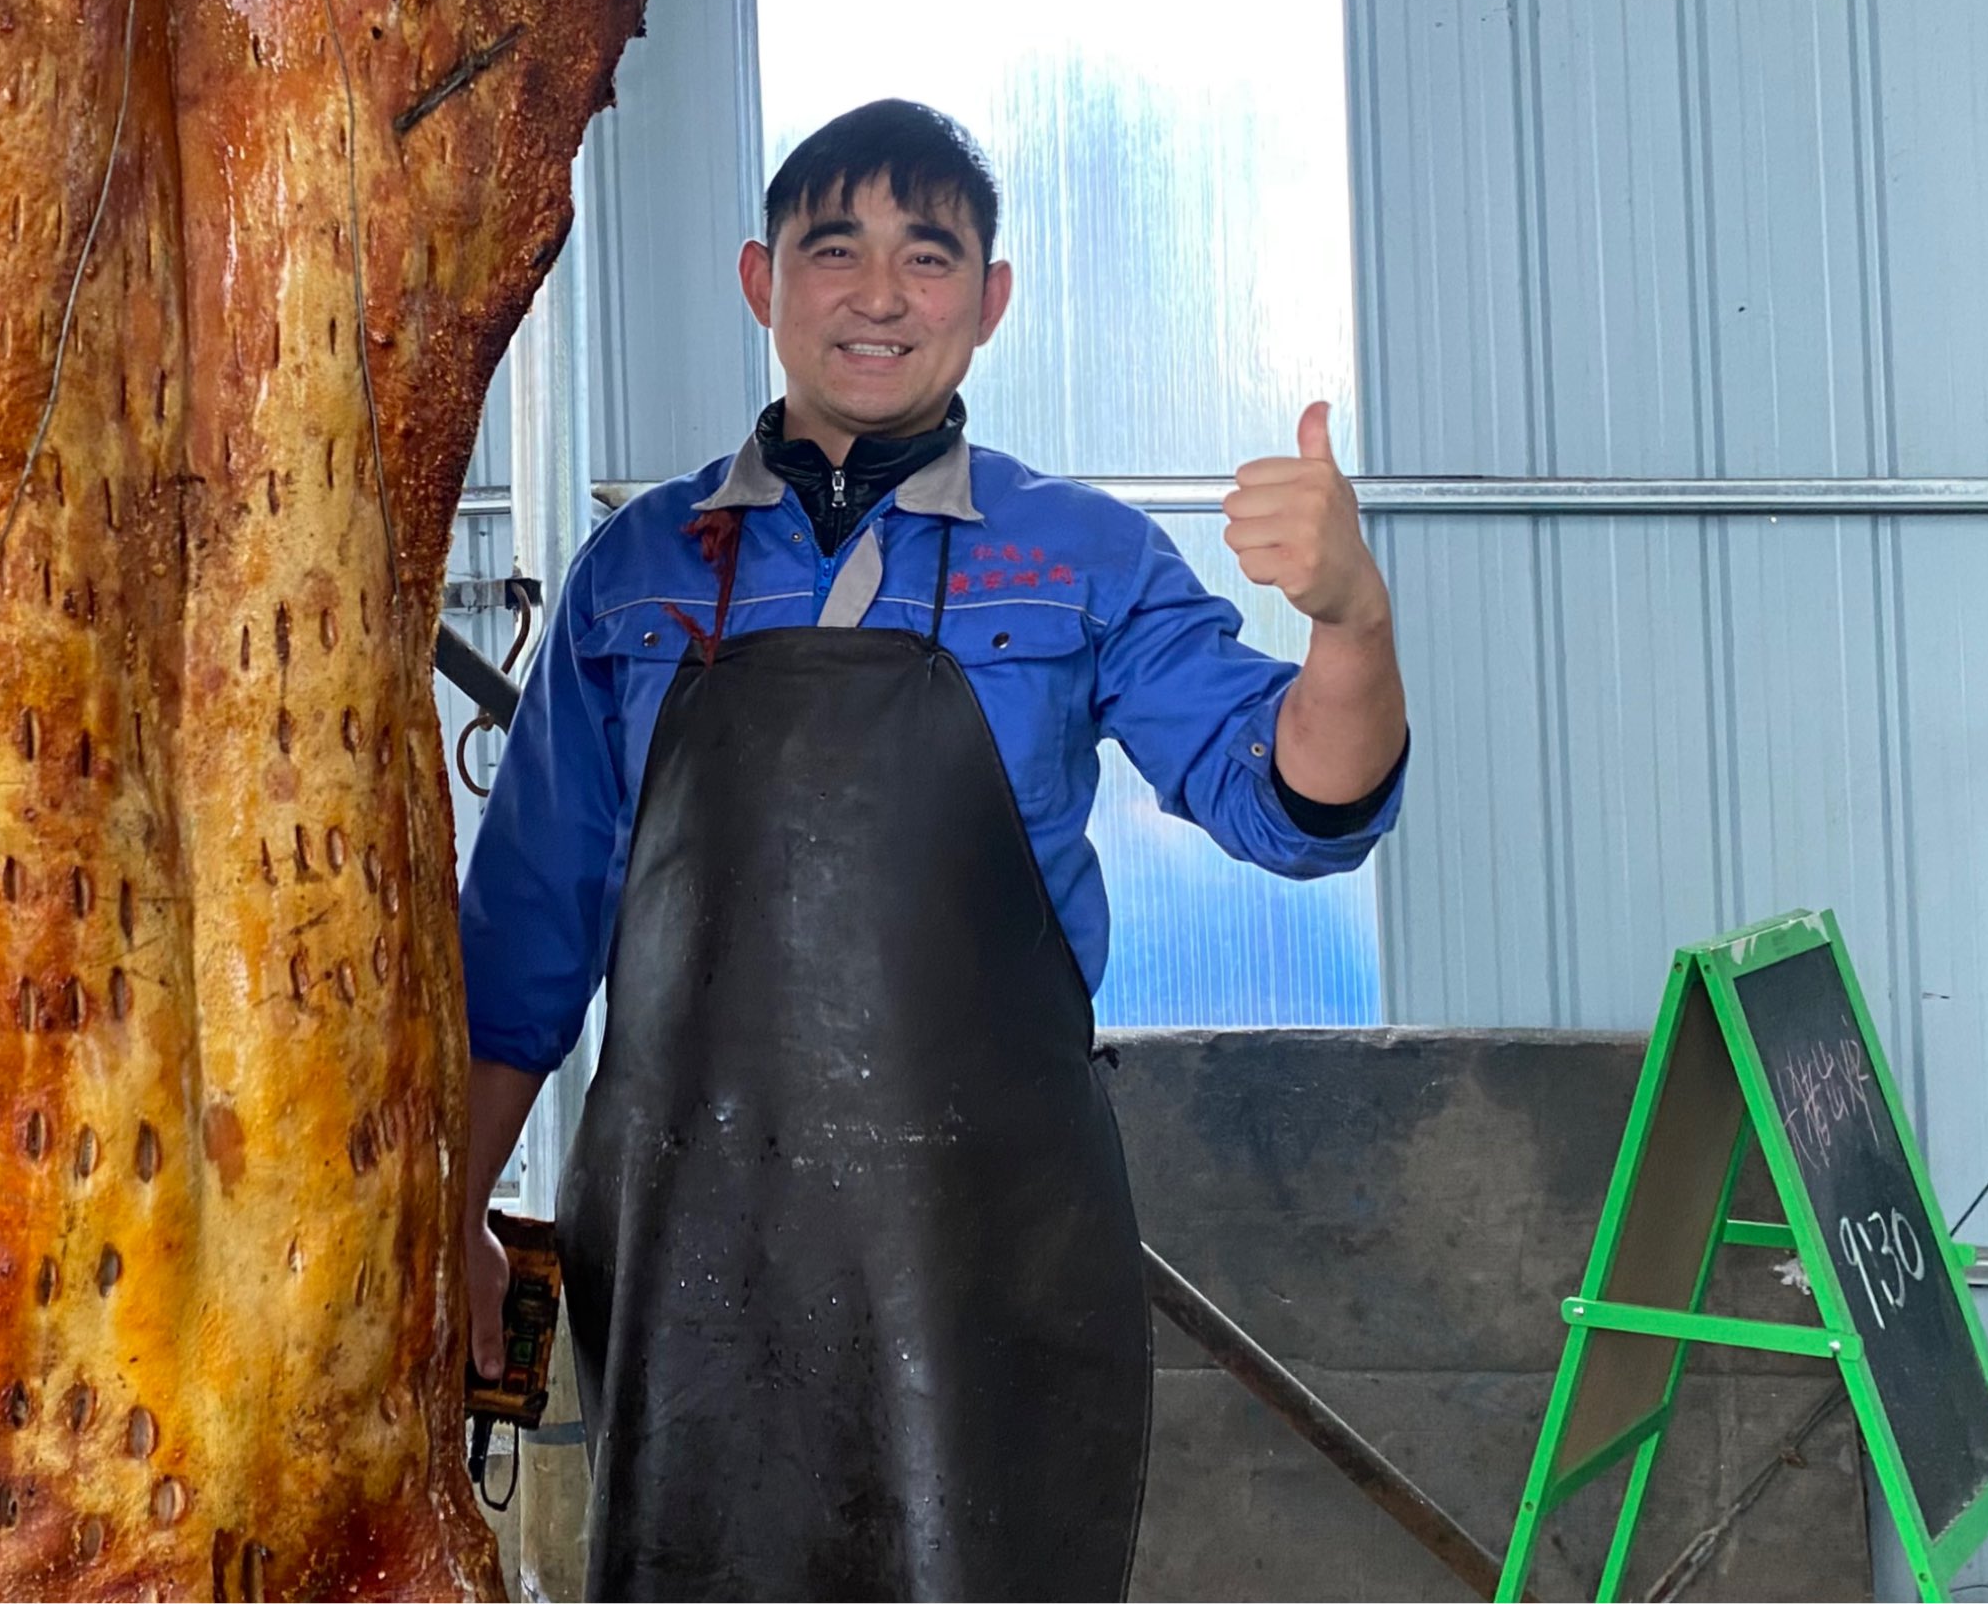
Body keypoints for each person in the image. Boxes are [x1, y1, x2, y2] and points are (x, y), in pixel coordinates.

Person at [455, 97, 1409, 1601]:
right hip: (693, 1236)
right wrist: (449, 1213)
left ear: (989, 299)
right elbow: (525, 939)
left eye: (928, 255)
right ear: (763, 283)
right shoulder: (639, 569)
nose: (881, 294)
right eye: (834, 251)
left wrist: (1351, 623)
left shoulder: (1079, 559)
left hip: (987, 1239)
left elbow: (1292, 811)